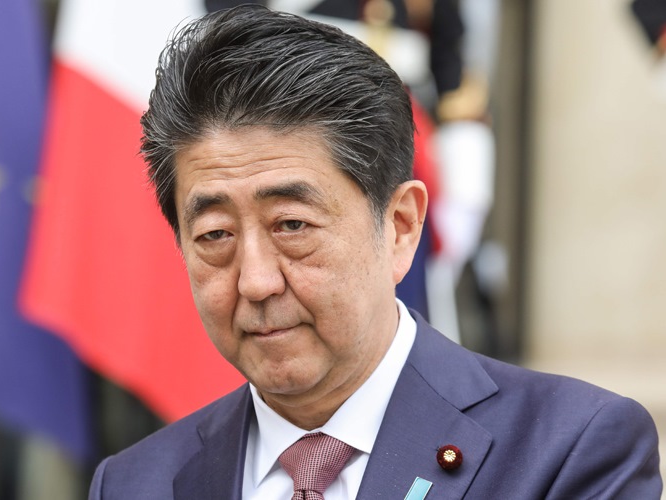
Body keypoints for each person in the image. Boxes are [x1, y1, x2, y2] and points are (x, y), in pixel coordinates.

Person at [89, 5, 661, 499]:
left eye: (292, 224)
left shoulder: (567, 451)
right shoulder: (134, 484)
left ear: (402, 226)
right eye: (216, 235)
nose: (256, 282)